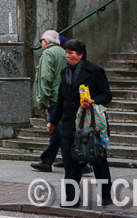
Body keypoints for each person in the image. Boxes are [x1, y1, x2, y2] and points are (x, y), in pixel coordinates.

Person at [48, 39, 113, 207]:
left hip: (91, 123)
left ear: (81, 54)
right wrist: (53, 121)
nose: (67, 56)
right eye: (66, 53)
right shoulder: (65, 72)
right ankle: (72, 198)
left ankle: (106, 195)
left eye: (71, 53)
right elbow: (61, 99)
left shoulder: (95, 71)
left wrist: (93, 101)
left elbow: (107, 95)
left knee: (97, 159)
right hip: (70, 123)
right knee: (70, 162)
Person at [31, 30, 67, 172]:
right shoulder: (63, 53)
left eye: (41, 40)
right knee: (55, 131)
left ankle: (81, 162)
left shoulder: (48, 53)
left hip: (53, 98)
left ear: (45, 41)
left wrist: (44, 98)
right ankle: (47, 161)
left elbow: (46, 77)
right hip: (63, 96)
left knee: (60, 129)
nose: (41, 43)